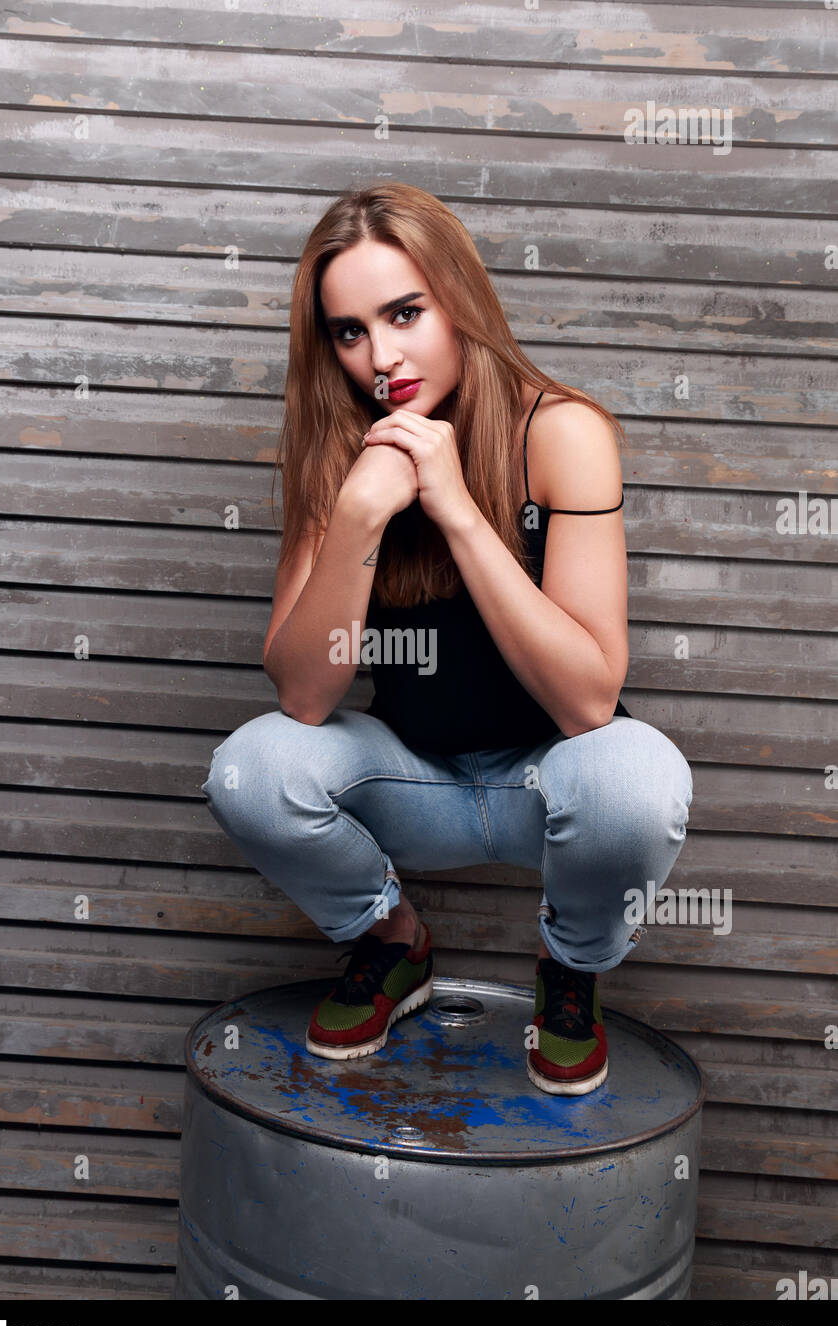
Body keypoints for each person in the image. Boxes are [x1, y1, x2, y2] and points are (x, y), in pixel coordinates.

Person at [201, 181, 693, 1096]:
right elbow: (306, 697)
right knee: (251, 767)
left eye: (405, 312)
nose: (382, 356)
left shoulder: (564, 432)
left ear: (457, 296)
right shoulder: (341, 449)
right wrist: (355, 515)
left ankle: (569, 969)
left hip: (551, 788)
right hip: (412, 783)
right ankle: (393, 943)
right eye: (351, 331)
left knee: (638, 776)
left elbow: (588, 700)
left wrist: (460, 511)